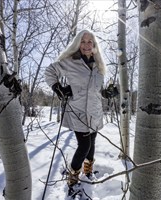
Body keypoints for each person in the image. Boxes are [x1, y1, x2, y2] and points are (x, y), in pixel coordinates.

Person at [44, 29, 118, 191]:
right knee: (84, 146)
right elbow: (50, 71)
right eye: (83, 42)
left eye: (89, 41)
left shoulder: (98, 66)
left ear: (94, 44)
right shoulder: (71, 61)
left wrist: (107, 93)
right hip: (78, 112)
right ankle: (73, 178)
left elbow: (97, 91)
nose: (86, 45)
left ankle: (88, 170)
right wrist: (58, 88)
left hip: (95, 112)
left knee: (91, 144)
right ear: (78, 44)